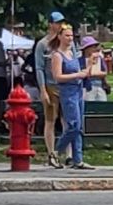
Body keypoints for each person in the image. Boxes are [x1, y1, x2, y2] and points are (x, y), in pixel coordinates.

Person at [49, 24, 88, 169]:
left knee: (79, 126)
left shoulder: (73, 53)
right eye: (67, 35)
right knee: (73, 125)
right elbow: (58, 77)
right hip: (67, 91)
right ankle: (55, 151)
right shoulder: (57, 55)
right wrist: (77, 75)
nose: (70, 38)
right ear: (59, 37)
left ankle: (78, 159)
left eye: (71, 36)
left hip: (78, 90)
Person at [32, 13, 64, 164]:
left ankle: (68, 153)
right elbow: (39, 68)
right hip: (50, 86)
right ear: (50, 24)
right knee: (51, 119)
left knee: (68, 121)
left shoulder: (65, 42)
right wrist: (43, 89)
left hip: (65, 85)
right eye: (57, 23)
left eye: (62, 23)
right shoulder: (42, 44)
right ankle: (51, 153)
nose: (60, 26)